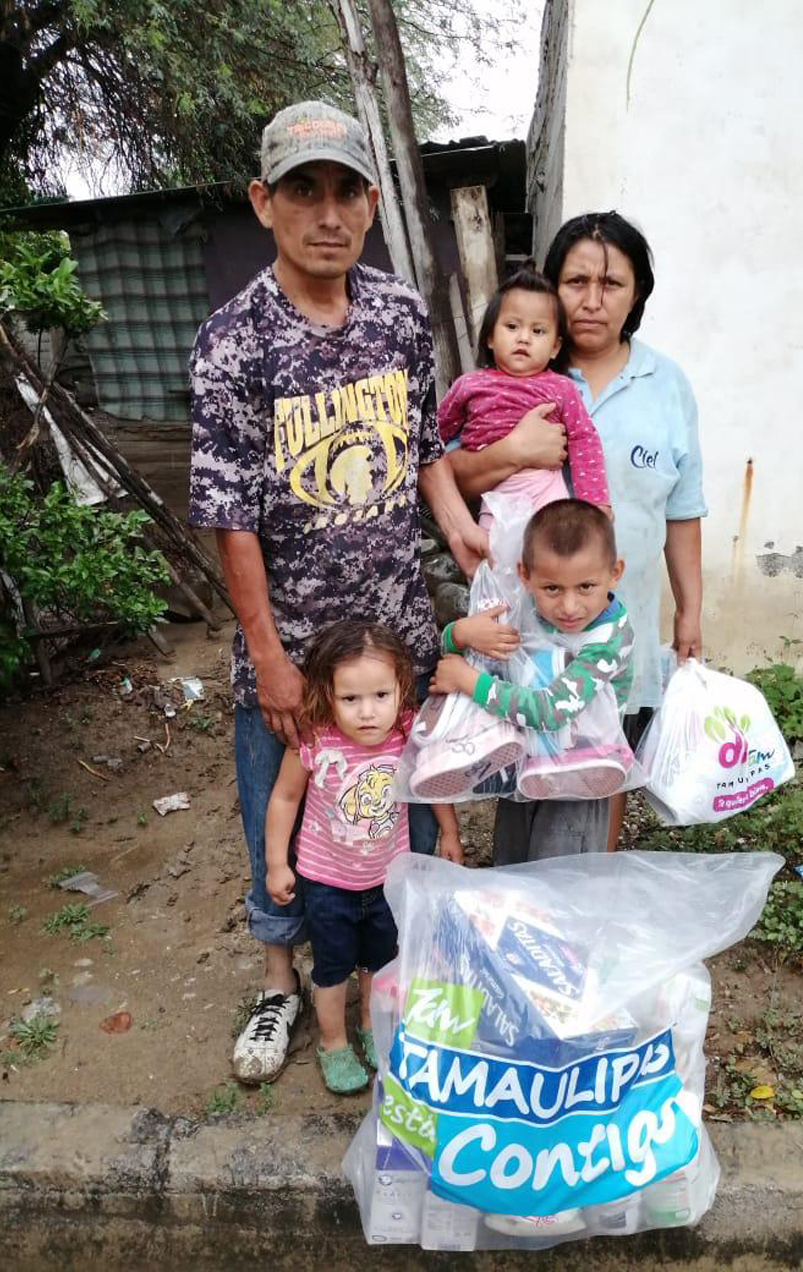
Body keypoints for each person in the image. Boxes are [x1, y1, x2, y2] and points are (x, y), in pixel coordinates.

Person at [188, 101, 488, 1085]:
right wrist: (269, 658)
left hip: (395, 643)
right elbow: (230, 514)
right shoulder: (235, 340)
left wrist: (458, 526)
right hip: (296, 651)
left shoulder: (399, 313)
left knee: (397, 813)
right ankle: (282, 986)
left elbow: (425, 448)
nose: (328, 213)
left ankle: (394, 975)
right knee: (277, 812)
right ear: (262, 202)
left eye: (346, 191)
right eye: (304, 190)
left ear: (369, 203)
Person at [445, 211, 706, 850]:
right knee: (527, 764)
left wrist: (690, 611)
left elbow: (683, 508)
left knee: (602, 760)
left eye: (611, 284)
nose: (592, 300)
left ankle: (591, 882)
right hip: (527, 624)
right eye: (576, 281)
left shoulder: (667, 386)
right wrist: (513, 451)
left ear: (636, 294)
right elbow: (448, 472)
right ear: (551, 287)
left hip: (616, 624)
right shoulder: (515, 377)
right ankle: (523, 881)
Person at [264, 621, 462, 1094]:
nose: (368, 711)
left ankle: (373, 1025)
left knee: (380, 960)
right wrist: (276, 863)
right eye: (350, 698)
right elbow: (285, 799)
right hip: (326, 883)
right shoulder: (316, 740)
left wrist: (450, 832)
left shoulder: (407, 735)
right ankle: (332, 1043)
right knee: (332, 969)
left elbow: (431, 782)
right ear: (327, 695)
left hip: (387, 880)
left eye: (380, 695)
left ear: (401, 689)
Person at [430, 499, 634, 863]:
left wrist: (467, 681)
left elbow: (550, 711)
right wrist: (459, 634)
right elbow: (472, 656)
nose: (569, 607)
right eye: (552, 588)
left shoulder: (608, 641)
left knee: (558, 884)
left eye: (586, 587)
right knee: (512, 870)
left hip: (578, 781)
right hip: (525, 770)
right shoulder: (527, 611)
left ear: (615, 572)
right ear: (524, 575)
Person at [437, 266, 610, 533]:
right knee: (495, 554)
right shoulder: (469, 385)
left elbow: (583, 438)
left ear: (555, 347)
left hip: (546, 491)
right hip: (496, 497)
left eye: (538, 331)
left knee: (554, 550)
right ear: (490, 337)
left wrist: (595, 503)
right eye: (512, 326)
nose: (524, 338)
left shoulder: (562, 388)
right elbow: (432, 437)